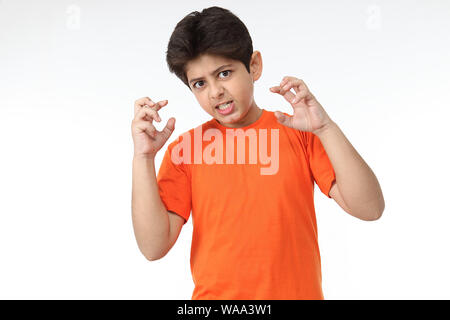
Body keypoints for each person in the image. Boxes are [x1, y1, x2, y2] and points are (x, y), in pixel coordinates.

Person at [131, 6, 385, 300]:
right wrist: (143, 158)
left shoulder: (299, 134)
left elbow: (370, 209)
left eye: (224, 73)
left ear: (254, 66)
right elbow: (153, 247)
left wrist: (326, 128)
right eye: (199, 83)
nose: (215, 92)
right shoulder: (186, 150)